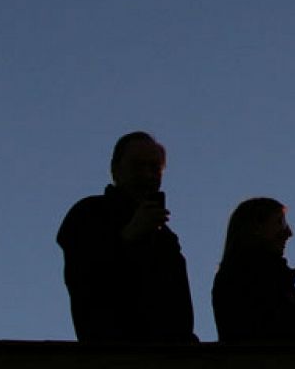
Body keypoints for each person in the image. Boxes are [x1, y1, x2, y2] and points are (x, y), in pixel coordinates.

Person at [56, 131, 196, 342]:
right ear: (115, 170)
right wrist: (128, 237)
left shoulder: (165, 238)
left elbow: (179, 305)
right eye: (138, 166)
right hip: (112, 354)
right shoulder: (88, 213)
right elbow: (86, 282)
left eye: (154, 168)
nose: (148, 175)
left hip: (169, 360)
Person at [212, 198, 295, 343]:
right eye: (280, 222)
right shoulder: (241, 279)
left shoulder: (275, 278)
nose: (289, 232)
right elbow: (263, 337)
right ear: (255, 228)